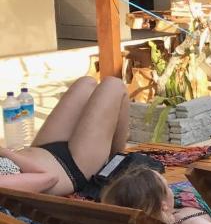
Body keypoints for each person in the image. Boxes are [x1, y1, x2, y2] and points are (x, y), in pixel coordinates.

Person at [0, 76, 128, 196]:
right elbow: (49, 178)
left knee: (86, 83)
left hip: (42, 149)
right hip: (71, 168)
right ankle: (119, 164)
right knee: (114, 85)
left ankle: (118, 162)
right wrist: (7, 153)